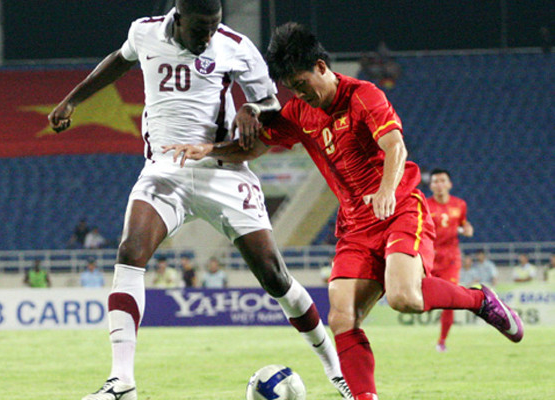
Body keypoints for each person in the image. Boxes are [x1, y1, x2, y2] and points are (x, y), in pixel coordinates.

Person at [165, 22, 525, 400]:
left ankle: (480, 300)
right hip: (354, 226)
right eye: (292, 88)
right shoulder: (300, 111)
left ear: (321, 67)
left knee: (404, 298)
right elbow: (253, 147)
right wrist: (210, 151)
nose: (299, 93)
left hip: (399, 208)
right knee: (341, 318)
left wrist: (386, 190)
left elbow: (395, 145)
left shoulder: (362, 95)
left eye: (302, 83)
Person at [48, 2, 349, 399]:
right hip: (165, 170)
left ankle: (337, 371)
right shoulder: (145, 32)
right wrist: (72, 100)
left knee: (274, 275)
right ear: (178, 17)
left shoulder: (235, 46)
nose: (208, 36)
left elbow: (273, 106)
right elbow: (119, 61)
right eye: (200, 27)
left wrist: (251, 108)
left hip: (222, 169)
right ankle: (122, 382)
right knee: (130, 252)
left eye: (214, 26)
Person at [427, 168, 474, 352]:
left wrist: (467, 228)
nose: (439, 184)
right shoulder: (424, 205)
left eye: (442, 180)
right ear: (431, 185)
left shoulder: (460, 204)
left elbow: (463, 224)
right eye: (435, 181)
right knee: (420, 296)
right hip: (429, 257)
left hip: (450, 259)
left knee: (450, 301)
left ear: (449, 184)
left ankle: (442, 341)